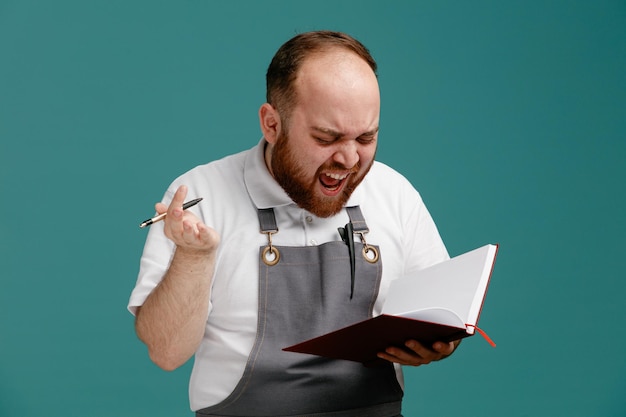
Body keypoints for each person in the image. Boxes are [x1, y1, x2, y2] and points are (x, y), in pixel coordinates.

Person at [128, 30, 459, 417]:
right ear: (271, 124)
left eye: (366, 137)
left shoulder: (393, 192)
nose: (350, 159)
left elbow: (443, 312)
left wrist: (440, 340)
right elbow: (166, 352)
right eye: (326, 137)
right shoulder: (202, 195)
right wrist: (193, 257)